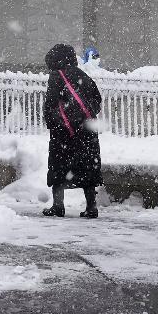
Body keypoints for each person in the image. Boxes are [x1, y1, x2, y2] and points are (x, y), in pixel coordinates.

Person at [42, 42, 103, 218]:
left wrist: (56, 124)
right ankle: (91, 207)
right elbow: (97, 99)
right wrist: (85, 116)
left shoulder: (56, 76)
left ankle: (58, 206)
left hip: (64, 132)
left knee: (59, 167)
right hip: (87, 131)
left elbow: (51, 104)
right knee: (87, 168)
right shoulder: (82, 74)